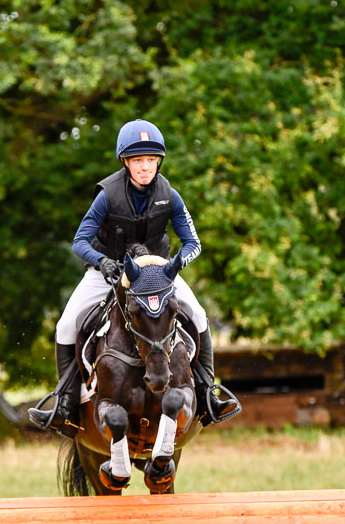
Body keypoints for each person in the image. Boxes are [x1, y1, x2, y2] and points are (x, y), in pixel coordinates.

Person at [31, 119, 235, 433]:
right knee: (67, 323)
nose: (145, 167)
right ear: (126, 162)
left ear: (158, 161)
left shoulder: (170, 194)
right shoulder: (107, 195)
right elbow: (79, 241)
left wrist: (179, 261)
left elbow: (194, 243)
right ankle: (66, 401)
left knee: (199, 314)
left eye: (151, 160)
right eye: (138, 160)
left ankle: (208, 394)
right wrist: (102, 262)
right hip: (110, 272)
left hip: (157, 273)